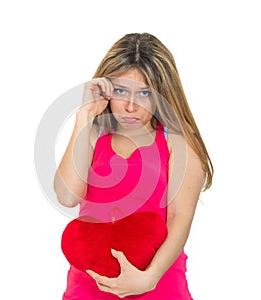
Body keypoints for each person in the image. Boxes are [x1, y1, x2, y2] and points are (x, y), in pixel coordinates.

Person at [54, 32, 213, 299]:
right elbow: (67, 196)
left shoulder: (178, 142)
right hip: (89, 286)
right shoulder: (95, 134)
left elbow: (179, 219)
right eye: (120, 91)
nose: (130, 106)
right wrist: (84, 115)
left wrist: (148, 279)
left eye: (144, 93)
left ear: (162, 94)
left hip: (157, 284)